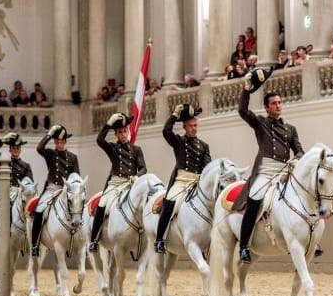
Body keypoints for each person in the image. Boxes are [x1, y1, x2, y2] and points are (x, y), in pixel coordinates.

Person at [236, 70, 304, 263]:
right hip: (266, 171)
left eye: (279, 102)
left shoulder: (290, 129)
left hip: (284, 171)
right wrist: (246, 90)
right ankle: (243, 246)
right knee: (255, 198)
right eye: (274, 103)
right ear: (266, 108)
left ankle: (308, 239)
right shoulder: (260, 123)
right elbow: (242, 111)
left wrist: (296, 159)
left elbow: (299, 150)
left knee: (302, 197)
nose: (278, 106)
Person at [154, 104, 211, 253]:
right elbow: (166, 131)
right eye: (191, 126)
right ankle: (160, 239)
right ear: (184, 127)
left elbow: (208, 166)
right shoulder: (178, 141)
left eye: (196, 125)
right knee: (170, 201)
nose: (194, 128)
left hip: (197, 182)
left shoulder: (204, 145)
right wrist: (174, 115)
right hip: (181, 181)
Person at [89, 112, 147, 252]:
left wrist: (137, 176)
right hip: (115, 184)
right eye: (120, 132)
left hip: (131, 184)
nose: (123, 134)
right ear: (116, 134)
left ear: (128, 131)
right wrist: (108, 124)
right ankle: (94, 240)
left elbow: (143, 168)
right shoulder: (112, 148)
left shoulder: (136, 150)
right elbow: (99, 140)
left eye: (125, 131)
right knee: (102, 205)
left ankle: (145, 235)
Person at [31, 125, 80, 256]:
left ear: (65, 142)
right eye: (57, 142)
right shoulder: (50, 154)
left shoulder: (73, 157)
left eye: (62, 142)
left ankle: (75, 240)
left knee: (77, 208)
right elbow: (39, 148)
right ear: (55, 143)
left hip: (66, 190)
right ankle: (35, 244)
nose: (59, 144)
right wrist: (48, 134)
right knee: (39, 210)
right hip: (52, 189)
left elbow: (76, 176)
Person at [0, 133, 33, 252]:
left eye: (18, 148)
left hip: (21, 191)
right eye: (13, 148)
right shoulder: (5, 162)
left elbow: (29, 181)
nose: (16, 150)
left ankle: (31, 239)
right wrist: (2, 140)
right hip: (7, 190)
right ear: (10, 149)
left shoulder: (26, 165)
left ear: (20, 150)